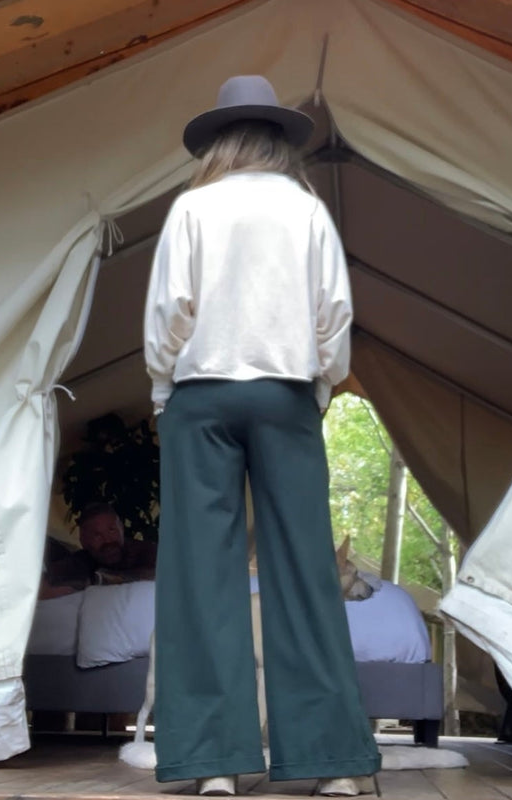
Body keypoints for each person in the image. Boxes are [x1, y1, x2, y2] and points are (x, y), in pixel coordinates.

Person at [143, 75, 381, 797]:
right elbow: (333, 317)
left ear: (216, 141)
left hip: (201, 398)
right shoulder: (307, 210)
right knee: (306, 574)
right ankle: (332, 764)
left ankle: (213, 764)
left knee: (200, 581)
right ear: (278, 139)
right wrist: (314, 386)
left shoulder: (191, 207)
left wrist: (164, 392)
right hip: (283, 397)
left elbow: (167, 317)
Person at [39, 502, 157, 599]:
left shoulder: (147, 551)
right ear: (84, 541)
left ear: (121, 527)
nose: (108, 541)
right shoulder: (82, 560)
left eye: (112, 530)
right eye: (97, 535)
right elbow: (43, 579)